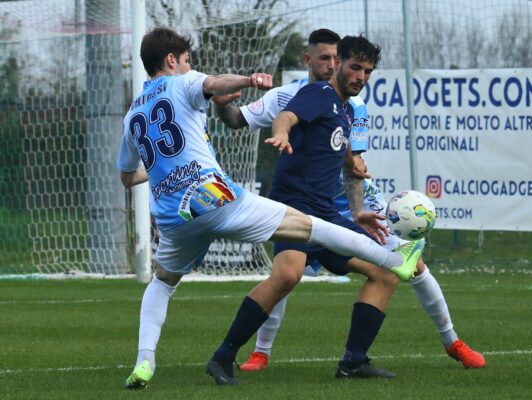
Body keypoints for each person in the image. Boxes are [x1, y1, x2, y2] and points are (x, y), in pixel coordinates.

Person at [117, 27, 423, 390]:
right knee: (311, 226)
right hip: (215, 198)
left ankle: (144, 362)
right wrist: (248, 79)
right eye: (186, 60)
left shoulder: (132, 116)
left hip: (173, 218)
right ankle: (395, 261)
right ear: (171, 60)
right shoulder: (180, 83)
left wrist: (163, 172)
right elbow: (215, 83)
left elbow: (127, 176)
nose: (189, 66)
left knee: (163, 283)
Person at [214, 29, 485, 373]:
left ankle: (354, 361)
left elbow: (341, 154)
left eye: (367, 72)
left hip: (328, 215)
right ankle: (230, 355)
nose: (361, 77)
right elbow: (283, 117)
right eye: (355, 68)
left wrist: (356, 205)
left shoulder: (347, 110)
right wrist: (280, 133)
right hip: (296, 211)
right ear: (327, 62)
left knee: (387, 274)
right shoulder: (316, 94)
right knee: (287, 276)